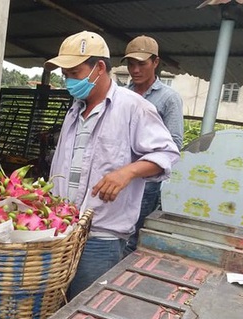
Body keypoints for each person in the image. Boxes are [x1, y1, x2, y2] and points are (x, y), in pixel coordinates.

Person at [44, 31, 180, 299]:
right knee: (56, 307)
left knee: (82, 311)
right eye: (66, 74)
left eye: (75, 72)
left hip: (100, 237)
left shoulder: (133, 107)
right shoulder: (75, 109)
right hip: (62, 231)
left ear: (99, 67)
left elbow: (167, 152)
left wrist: (127, 172)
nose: (70, 80)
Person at [121, 36, 184, 256]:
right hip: (117, 177)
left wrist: (140, 167)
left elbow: (174, 144)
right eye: (131, 64)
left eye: (141, 64)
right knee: (113, 234)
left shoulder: (168, 98)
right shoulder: (123, 95)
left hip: (145, 182)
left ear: (155, 62)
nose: (135, 70)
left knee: (131, 238)